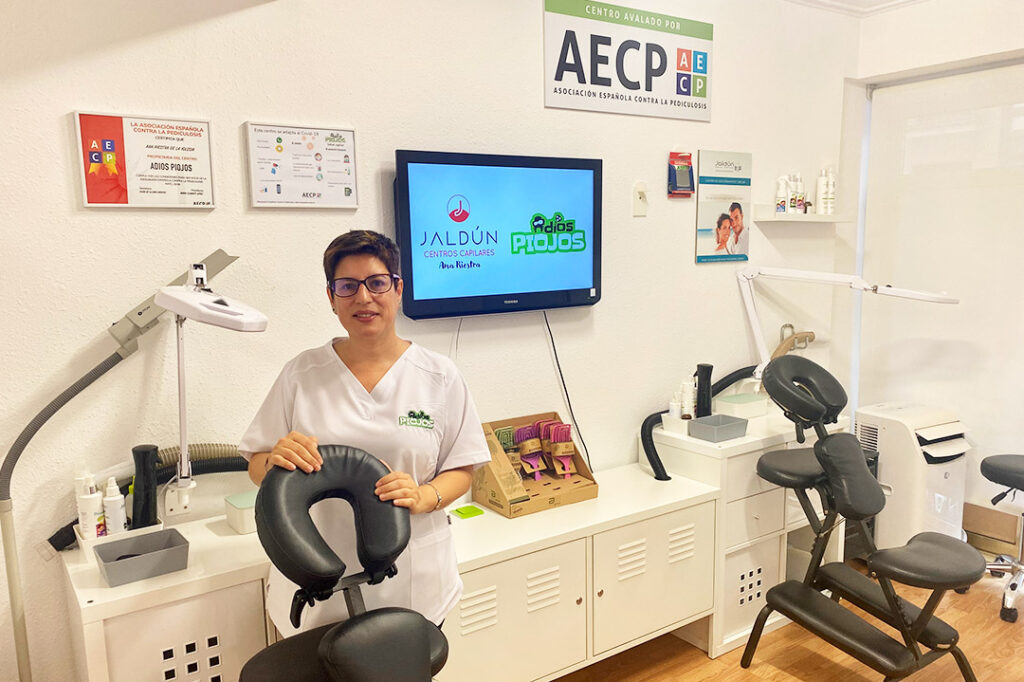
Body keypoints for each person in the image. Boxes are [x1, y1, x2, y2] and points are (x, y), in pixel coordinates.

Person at [238, 230, 491, 636]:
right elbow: (257, 464)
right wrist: (274, 461)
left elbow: (463, 468)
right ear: (331, 297)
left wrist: (424, 496)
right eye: (347, 286)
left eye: (376, 283)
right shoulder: (301, 373)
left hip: (413, 580)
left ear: (398, 289)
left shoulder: (439, 376)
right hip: (315, 577)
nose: (363, 297)